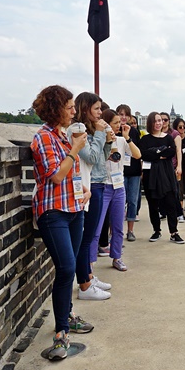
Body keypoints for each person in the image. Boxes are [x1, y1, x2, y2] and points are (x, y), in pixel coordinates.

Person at [30, 85, 94, 360]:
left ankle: (67, 314)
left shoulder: (65, 136)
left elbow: (72, 175)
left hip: (74, 207)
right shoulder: (44, 138)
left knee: (72, 263)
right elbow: (55, 176)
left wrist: (83, 192)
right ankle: (61, 332)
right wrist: (75, 149)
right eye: (69, 106)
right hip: (53, 211)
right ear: (56, 109)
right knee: (67, 268)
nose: (73, 111)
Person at [68, 92, 112, 301]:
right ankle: (84, 284)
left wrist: (108, 141)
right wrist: (102, 135)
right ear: (85, 109)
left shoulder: (92, 130)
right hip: (90, 185)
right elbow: (92, 157)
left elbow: (102, 157)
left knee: (91, 235)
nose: (100, 112)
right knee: (86, 238)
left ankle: (89, 276)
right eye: (96, 108)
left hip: (98, 182)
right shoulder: (78, 130)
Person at [96, 109, 141, 271]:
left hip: (119, 186)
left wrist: (127, 138)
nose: (119, 125)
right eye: (115, 123)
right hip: (103, 186)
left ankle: (116, 257)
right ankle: (90, 262)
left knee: (117, 226)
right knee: (98, 226)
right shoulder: (98, 140)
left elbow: (137, 155)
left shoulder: (122, 140)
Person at [138, 112, 185, 244]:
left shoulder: (168, 138)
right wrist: (160, 153)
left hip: (167, 173)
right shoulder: (145, 139)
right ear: (150, 123)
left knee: (170, 202)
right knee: (153, 204)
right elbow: (144, 154)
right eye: (156, 121)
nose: (159, 123)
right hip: (151, 174)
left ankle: (174, 232)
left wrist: (155, 152)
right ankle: (156, 230)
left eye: (160, 120)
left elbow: (171, 152)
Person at [115, 104, 143, 241]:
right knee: (118, 202)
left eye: (126, 114)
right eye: (120, 114)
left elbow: (138, 152)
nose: (123, 117)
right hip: (118, 172)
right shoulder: (113, 131)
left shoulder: (134, 132)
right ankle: (115, 231)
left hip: (134, 170)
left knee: (132, 200)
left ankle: (130, 230)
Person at [160, 111, 184, 222]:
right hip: (159, 167)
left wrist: (179, 166)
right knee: (161, 191)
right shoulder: (156, 133)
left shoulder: (174, 134)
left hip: (172, 166)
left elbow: (178, 151)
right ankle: (163, 211)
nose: (163, 122)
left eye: (165, 120)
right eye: (161, 119)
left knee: (174, 191)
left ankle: (179, 213)